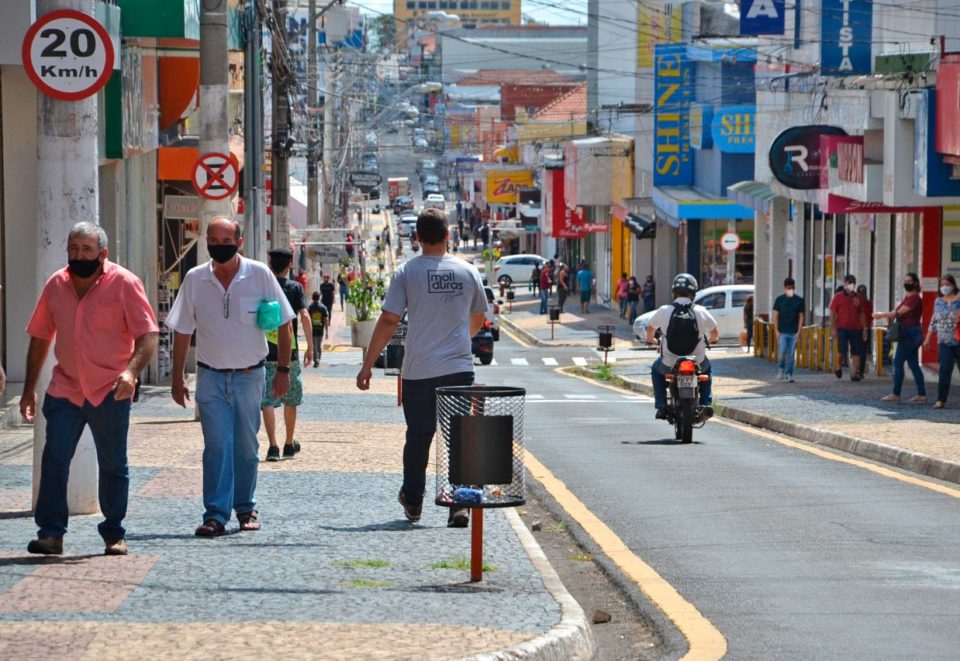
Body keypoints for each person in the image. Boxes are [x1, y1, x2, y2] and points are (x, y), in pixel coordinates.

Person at [22, 222, 159, 556]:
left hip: (110, 389)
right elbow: (40, 336)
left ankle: (114, 532)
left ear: (103, 253)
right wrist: (28, 390)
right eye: (73, 249)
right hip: (65, 388)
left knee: (113, 463)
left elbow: (148, 334)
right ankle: (51, 534)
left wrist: (130, 372)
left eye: (86, 249)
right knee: (54, 458)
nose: (78, 255)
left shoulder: (125, 283)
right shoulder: (57, 284)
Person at [356, 208, 487, 528]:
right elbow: (479, 317)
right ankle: (459, 505)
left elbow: (389, 319)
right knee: (459, 437)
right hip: (458, 367)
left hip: (419, 370)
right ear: (448, 235)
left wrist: (368, 364)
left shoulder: (406, 272)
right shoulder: (468, 271)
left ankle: (413, 502)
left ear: (417, 238)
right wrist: (457, 338)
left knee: (419, 436)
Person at [166, 216, 295, 537]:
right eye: (213, 241)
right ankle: (215, 514)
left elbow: (284, 324)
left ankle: (245, 507)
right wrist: (177, 375)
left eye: (226, 242)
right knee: (216, 446)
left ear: (239, 242)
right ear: (205, 240)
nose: (219, 247)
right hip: (209, 378)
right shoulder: (195, 279)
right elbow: (183, 329)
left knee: (246, 446)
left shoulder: (260, 274)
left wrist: (282, 370)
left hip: (250, 376)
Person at [645, 273, 719, 421]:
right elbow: (714, 332)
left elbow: (650, 328)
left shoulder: (664, 310)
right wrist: (712, 340)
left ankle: (661, 406)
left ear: (674, 292)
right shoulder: (701, 311)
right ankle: (705, 404)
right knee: (707, 370)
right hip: (696, 362)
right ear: (693, 292)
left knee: (655, 370)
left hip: (669, 363)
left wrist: (650, 340)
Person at [262, 248, 312, 462]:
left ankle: (272, 446)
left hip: (263, 352)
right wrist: (311, 346)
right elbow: (305, 316)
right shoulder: (295, 288)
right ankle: (289, 443)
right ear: (290, 264)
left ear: (270, 263)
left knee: (267, 401)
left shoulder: (263, 287)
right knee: (291, 399)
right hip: (289, 353)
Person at [874, 273, 926, 403]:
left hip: (911, 333)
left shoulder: (914, 299)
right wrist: (888, 315)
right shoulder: (907, 298)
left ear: (915, 283)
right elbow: (896, 312)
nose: (906, 283)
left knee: (898, 362)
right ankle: (922, 394)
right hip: (910, 333)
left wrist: (881, 315)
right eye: (905, 280)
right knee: (913, 364)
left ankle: (896, 393)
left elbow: (898, 313)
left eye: (909, 281)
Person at [923, 274, 960, 409]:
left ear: (953, 285)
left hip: (958, 339)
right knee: (944, 370)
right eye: (942, 285)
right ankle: (941, 399)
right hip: (944, 341)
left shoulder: (958, 300)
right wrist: (928, 338)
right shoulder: (938, 301)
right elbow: (934, 320)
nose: (945, 287)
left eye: (947, 284)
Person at [829, 274, 868, 381]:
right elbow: (832, 313)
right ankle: (838, 366)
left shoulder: (858, 298)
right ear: (845, 283)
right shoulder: (838, 297)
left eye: (853, 283)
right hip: (842, 327)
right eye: (849, 282)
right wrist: (833, 328)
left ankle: (854, 373)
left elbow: (862, 314)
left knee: (856, 351)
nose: (851, 285)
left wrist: (864, 329)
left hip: (856, 328)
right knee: (842, 350)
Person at [772, 278, 805, 382]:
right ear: (784, 288)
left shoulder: (799, 301)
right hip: (782, 331)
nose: (791, 290)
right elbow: (776, 315)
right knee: (782, 353)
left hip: (793, 332)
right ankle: (781, 369)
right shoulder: (779, 300)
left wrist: (799, 331)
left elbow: (801, 316)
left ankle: (789, 374)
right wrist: (776, 330)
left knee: (791, 354)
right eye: (788, 288)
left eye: (792, 288)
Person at [308, 291, 330, 366]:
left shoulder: (310, 307)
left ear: (312, 298)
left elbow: (307, 319)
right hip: (320, 329)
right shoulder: (323, 307)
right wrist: (327, 331)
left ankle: (316, 359)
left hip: (312, 329)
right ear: (319, 297)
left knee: (314, 345)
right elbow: (326, 319)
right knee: (319, 345)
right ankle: (318, 359)